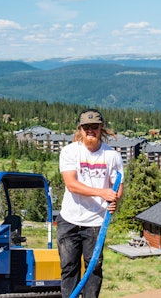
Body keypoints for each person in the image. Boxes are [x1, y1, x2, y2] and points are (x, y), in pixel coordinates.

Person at [57, 108, 124, 298]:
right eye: (86, 127)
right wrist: (102, 192)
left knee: (93, 269)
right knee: (69, 268)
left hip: (95, 223)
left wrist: (115, 199)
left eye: (94, 127)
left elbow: (118, 185)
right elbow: (71, 185)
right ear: (80, 129)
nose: (90, 131)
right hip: (69, 220)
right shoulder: (69, 152)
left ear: (101, 128)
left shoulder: (112, 156)